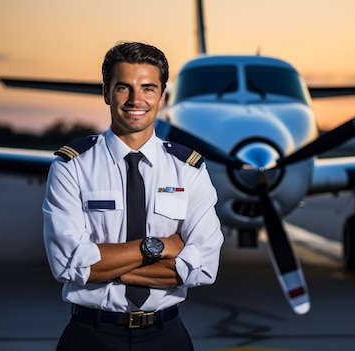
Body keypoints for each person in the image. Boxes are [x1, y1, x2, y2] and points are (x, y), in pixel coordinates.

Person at [42, 41, 224, 351]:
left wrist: (100, 265)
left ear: (162, 96)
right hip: (90, 336)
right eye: (123, 87)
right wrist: (160, 247)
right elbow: (68, 265)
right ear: (106, 92)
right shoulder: (71, 166)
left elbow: (203, 267)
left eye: (148, 88)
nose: (136, 100)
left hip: (166, 335)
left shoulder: (189, 169)